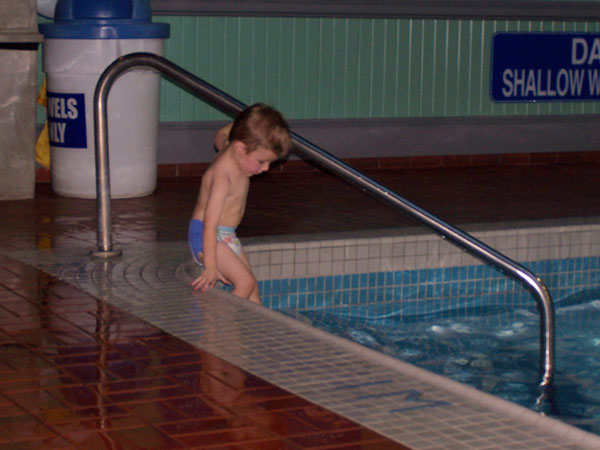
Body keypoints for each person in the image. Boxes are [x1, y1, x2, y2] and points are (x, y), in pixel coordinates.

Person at [188, 103, 291, 303]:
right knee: (245, 284)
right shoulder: (222, 177)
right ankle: (216, 321)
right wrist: (210, 266)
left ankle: (247, 331)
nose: (266, 168)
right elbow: (209, 225)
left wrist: (256, 122)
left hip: (225, 235)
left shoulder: (232, 147)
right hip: (208, 236)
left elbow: (221, 133)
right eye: (262, 161)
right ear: (241, 148)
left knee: (253, 293)